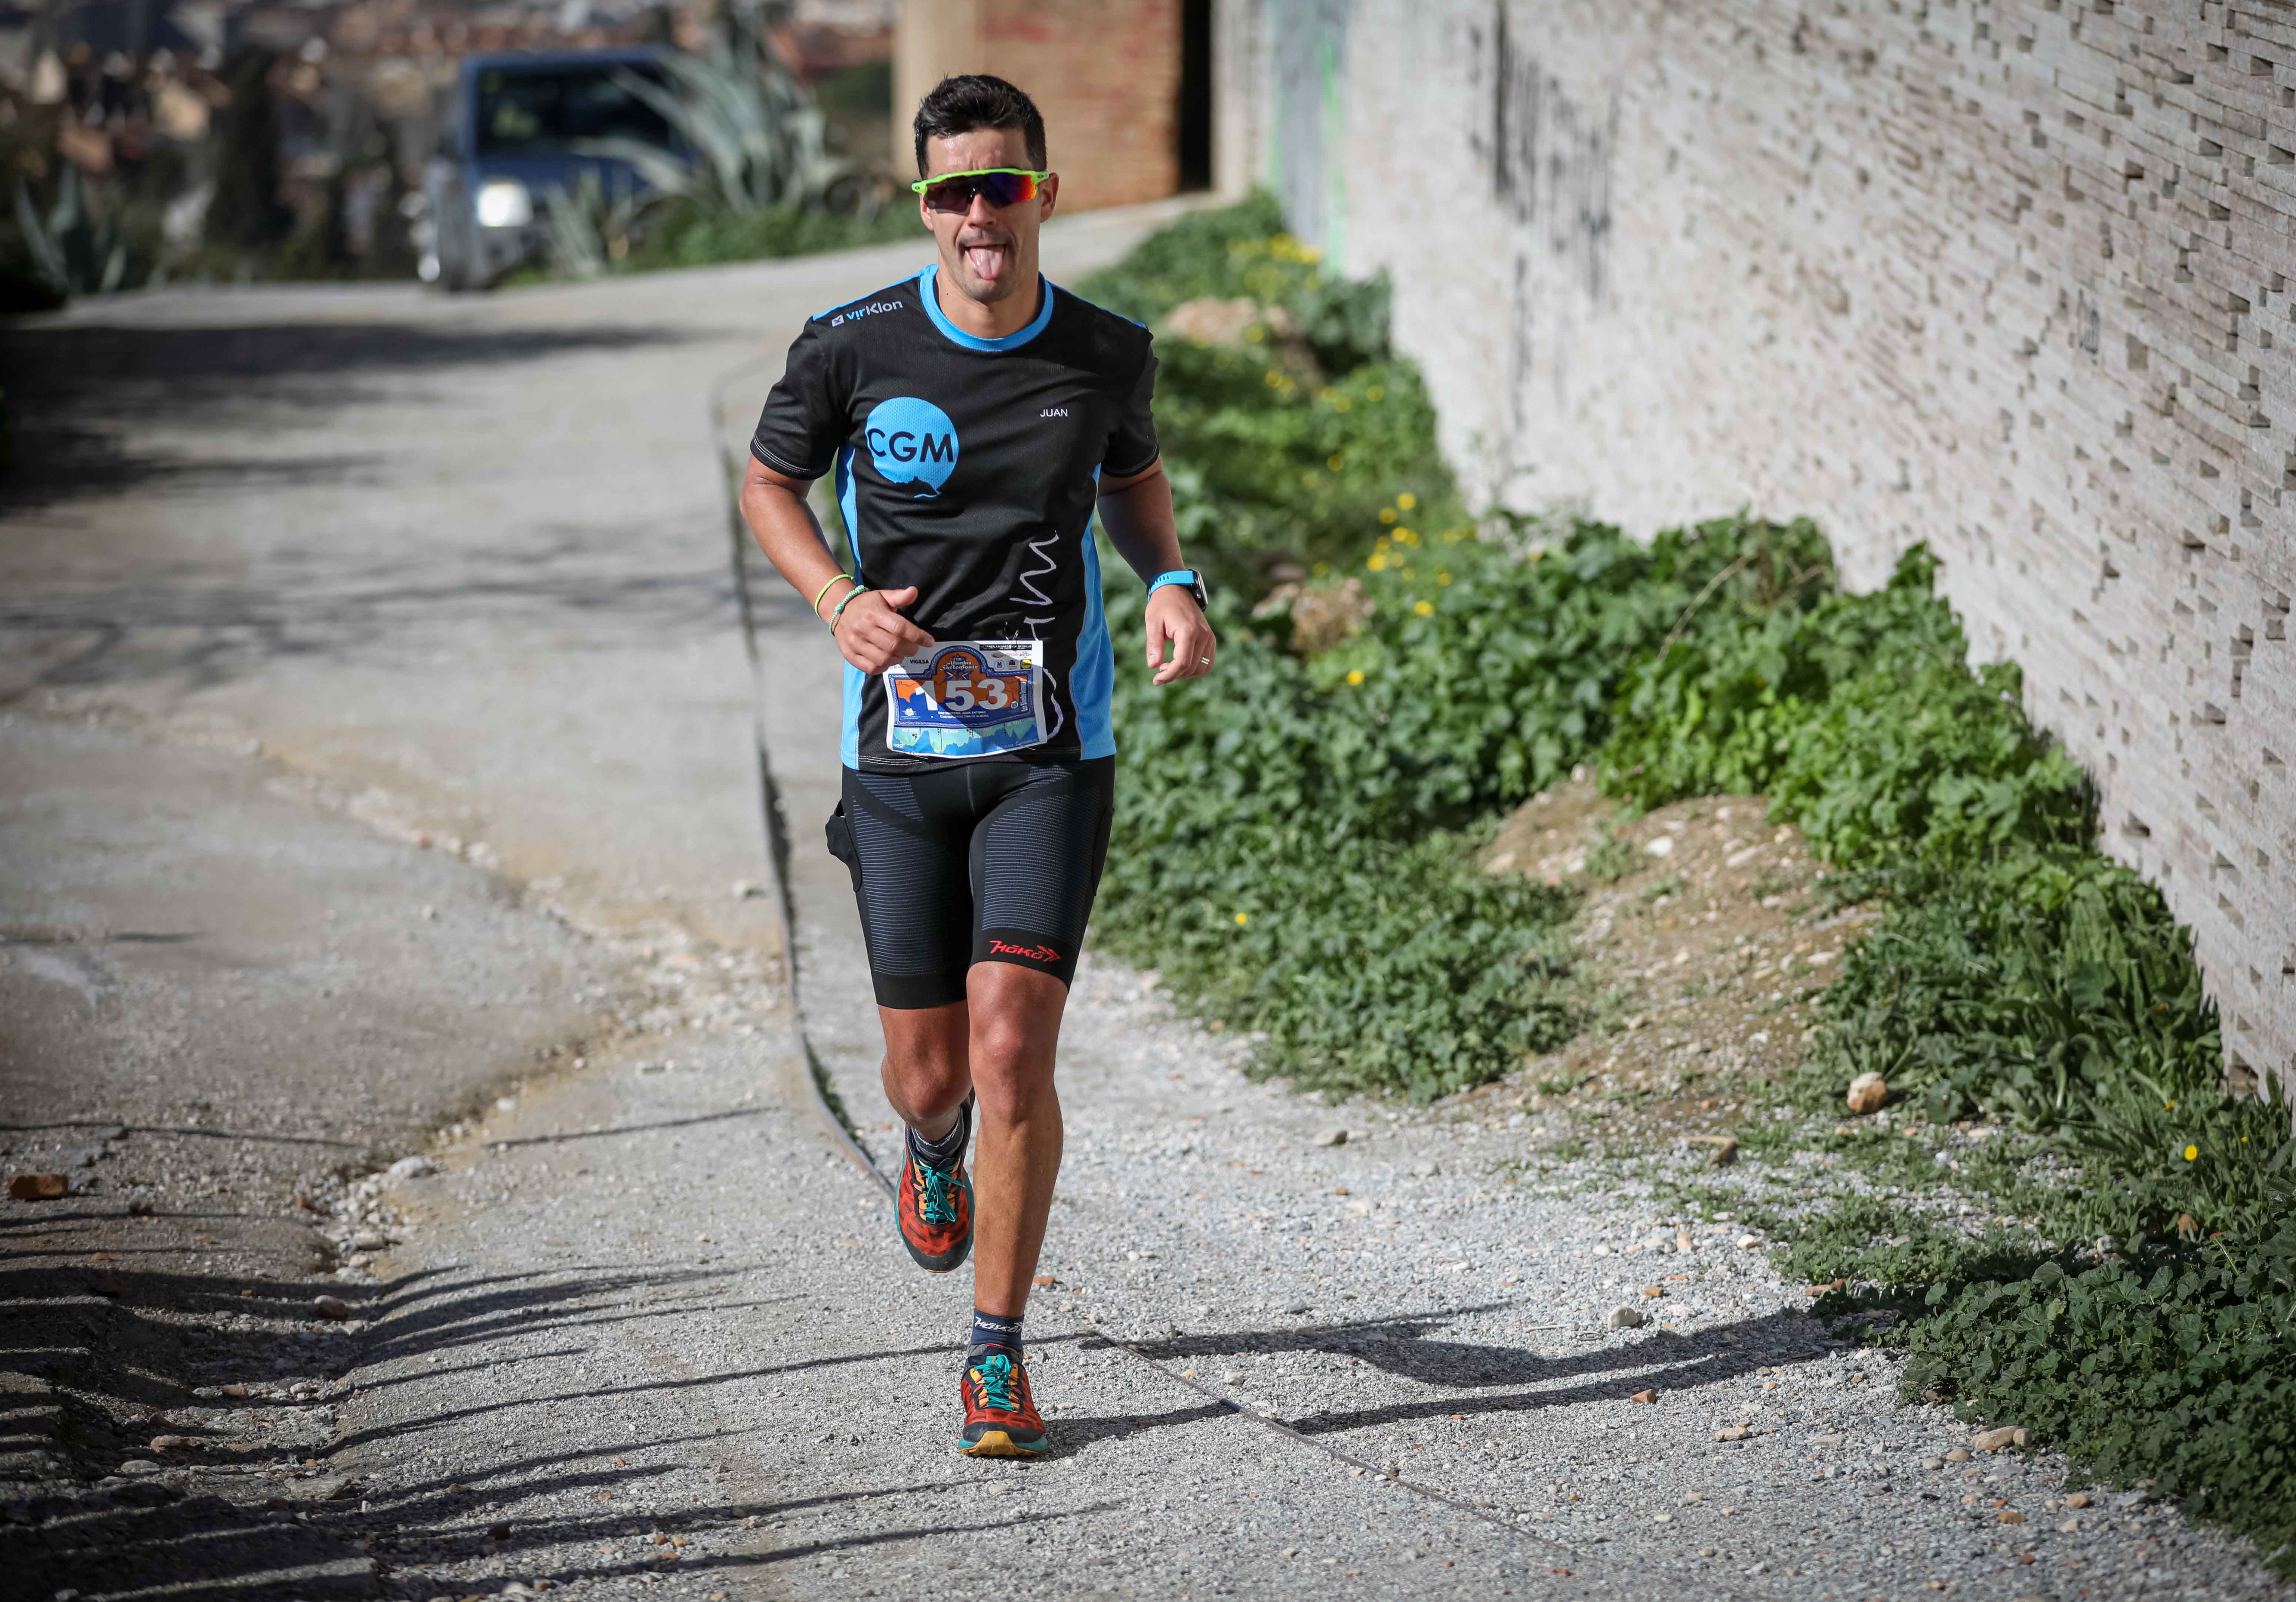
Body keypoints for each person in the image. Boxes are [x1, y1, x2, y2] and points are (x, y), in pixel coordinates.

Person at [738, 74, 1216, 1457]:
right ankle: (929, 1149)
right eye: (953, 192)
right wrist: (837, 602)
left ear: (1044, 195)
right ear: (926, 205)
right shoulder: (849, 348)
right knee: (926, 1078)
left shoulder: (1105, 352)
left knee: (1013, 1052)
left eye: (1001, 187)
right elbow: (770, 484)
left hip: (1049, 751)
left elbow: (1131, 474)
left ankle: (995, 1355)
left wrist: (1171, 580)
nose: (977, 217)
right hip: (895, 759)